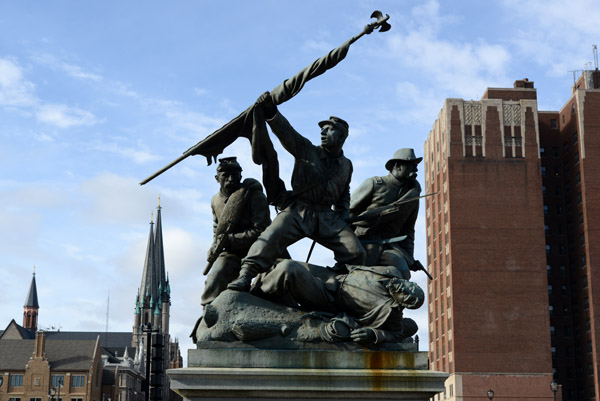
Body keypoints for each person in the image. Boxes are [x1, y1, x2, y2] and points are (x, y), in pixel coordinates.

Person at [227, 92, 366, 292]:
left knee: (356, 252)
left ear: (342, 136)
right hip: (299, 211)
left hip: (327, 217)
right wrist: (271, 111)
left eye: (329, 129)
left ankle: (343, 282)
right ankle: (245, 276)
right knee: (269, 239)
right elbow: (287, 132)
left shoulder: (347, 165)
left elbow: (344, 195)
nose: (323, 132)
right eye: (322, 129)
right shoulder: (307, 150)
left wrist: (343, 216)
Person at [253, 259, 423, 344]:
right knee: (274, 260)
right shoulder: (391, 270)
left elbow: (397, 334)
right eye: (410, 287)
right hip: (330, 277)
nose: (405, 290)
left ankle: (251, 299)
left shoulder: (390, 311)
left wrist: (373, 334)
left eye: (407, 296)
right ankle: (256, 286)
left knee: (288, 269)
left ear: (402, 304)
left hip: (327, 298)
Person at [200, 157, 271, 305]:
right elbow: (217, 229)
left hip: (258, 250)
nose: (230, 179)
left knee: (269, 286)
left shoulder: (253, 194)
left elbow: (262, 230)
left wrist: (231, 239)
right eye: (225, 175)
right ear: (217, 178)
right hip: (233, 252)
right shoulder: (215, 201)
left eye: (235, 175)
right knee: (216, 274)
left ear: (241, 176)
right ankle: (208, 311)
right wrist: (214, 246)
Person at [349, 148, 422, 280]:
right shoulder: (374, 184)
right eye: (412, 165)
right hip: (364, 241)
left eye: (416, 166)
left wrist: (409, 258)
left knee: (403, 272)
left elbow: (408, 229)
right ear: (397, 166)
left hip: (390, 245)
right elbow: (347, 212)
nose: (416, 170)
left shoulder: (413, 195)